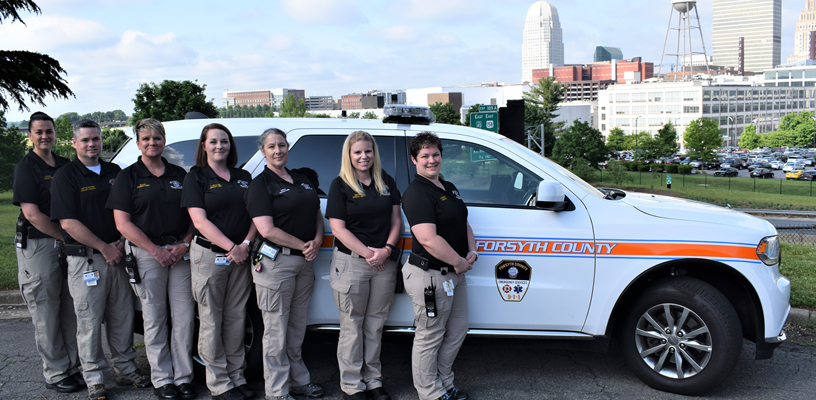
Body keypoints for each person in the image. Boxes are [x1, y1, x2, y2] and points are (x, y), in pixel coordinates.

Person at [50, 119, 150, 400]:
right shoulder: (65, 176)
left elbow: (128, 213)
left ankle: (126, 369)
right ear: (74, 143)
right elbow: (68, 223)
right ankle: (95, 378)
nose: (92, 144)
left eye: (96, 139)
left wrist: (120, 243)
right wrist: (104, 248)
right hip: (87, 260)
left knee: (122, 316)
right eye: (85, 140)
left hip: (118, 255)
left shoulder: (115, 172)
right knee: (89, 321)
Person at [106, 118, 196, 400]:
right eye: (146, 139)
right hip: (146, 254)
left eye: (156, 138)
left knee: (184, 319)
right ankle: (162, 379)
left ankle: (183, 377)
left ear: (164, 141)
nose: (152, 143)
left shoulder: (180, 174)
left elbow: (194, 215)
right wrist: (155, 250)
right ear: (138, 144)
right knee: (155, 319)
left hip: (179, 253)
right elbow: (122, 223)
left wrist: (184, 243)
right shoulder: (128, 177)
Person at [245, 128, 325, 400]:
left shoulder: (302, 179)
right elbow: (266, 229)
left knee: (296, 327)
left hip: (304, 262)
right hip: (276, 264)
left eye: (281, 145)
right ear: (263, 151)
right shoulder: (260, 185)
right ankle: (277, 392)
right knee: (276, 330)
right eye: (271, 146)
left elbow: (316, 213)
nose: (278, 150)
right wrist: (303, 245)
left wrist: (317, 240)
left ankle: (298, 381)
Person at [181, 123, 256, 400]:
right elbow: (199, 221)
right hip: (211, 256)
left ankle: (237, 376)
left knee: (236, 317)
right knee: (211, 318)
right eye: (213, 141)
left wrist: (245, 245)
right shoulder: (196, 177)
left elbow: (256, 215)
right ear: (203, 146)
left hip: (241, 256)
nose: (219, 146)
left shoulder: (243, 176)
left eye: (224, 141)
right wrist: (232, 247)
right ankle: (220, 383)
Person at [401, 132, 477, 400]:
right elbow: (427, 239)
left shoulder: (448, 186)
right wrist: (459, 262)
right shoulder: (416, 193)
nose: (431, 160)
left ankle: (444, 382)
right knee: (430, 335)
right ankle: (430, 392)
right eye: (425, 156)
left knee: (457, 330)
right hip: (430, 277)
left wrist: (471, 250)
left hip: (454, 274)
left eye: (435, 154)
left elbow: (463, 221)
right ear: (414, 160)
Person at [325, 131, 401, 400]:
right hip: (353, 263)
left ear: (374, 153)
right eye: (357, 152)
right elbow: (338, 229)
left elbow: (396, 221)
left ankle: (373, 380)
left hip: (384, 262)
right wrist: (370, 254)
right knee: (352, 326)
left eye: (368, 151)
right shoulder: (340, 184)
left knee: (375, 325)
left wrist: (387, 250)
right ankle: (352, 385)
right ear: (349, 155)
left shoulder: (385, 181)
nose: (363, 156)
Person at [12, 111, 82, 394]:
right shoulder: (26, 167)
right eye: (39, 132)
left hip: (68, 244)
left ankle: (73, 367)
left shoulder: (65, 164)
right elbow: (32, 214)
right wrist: (65, 236)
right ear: (30, 135)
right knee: (46, 311)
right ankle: (55, 373)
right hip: (40, 245)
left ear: (55, 133)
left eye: (49, 131)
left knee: (69, 308)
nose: (45, 136)